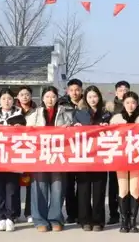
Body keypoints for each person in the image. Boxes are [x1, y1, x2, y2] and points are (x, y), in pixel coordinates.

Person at [110, 91, 139, 233]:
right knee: (123, 189)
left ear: (137, 104)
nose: (130, 105)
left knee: (134, 189)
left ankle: (133, 221)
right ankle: (123, 221)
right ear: (123, 104)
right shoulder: (116, 118)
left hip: (137, 158)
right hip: (121, 158)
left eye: (133, 102)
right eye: (127, 103)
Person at [0, 88, 25, 232]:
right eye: (3, 98)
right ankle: (0, 217)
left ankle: (10, 217)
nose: (6, 101)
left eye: (9, 98)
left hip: (13, 156)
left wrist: (20, 128)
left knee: (12, 188)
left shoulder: (19, 114)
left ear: (13, 100)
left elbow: (26, 133)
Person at [77, 86, 112, 231]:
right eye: (89, 97)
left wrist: (108, 127)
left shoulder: (106, 113)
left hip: (100, 157)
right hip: (83, 156)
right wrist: (75, 126)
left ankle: (98, 220)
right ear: (85, 98)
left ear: (99, 97)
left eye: (95, 96)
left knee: (99, 190)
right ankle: (84, 219)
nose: (92, 99)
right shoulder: (79, 113)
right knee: (83, 190)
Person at [32, 86, 67, 232]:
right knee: (39, 187)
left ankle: (55, 219)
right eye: (47, 96)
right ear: (42, 98)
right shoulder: (36, 113)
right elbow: (28, 130)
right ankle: (40, 219)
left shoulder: (64, 113)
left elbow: (72, 131)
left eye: (53, 96)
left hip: (58, 155)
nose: (50, 100)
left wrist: (68, 128)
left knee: (57, 187)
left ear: (57, 98)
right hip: (40, 155)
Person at [17, 85, 44, 222]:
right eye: (22, 94)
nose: (25, 97)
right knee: (14, 183)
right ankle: (14, 213)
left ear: (31, 96)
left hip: (32, 150)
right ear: (18, 97)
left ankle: (29, 212)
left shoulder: (38, 111)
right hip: (15, 150)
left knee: (31, 183)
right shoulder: (13, 111)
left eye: (27, 94)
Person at [59, 78, 84, 224]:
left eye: (77, 90)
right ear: (67, 91)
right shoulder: (61, 104)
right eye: (72, 90)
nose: (75, 93)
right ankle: (71, 213)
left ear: (81, 90)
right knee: (68, 184)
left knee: (82, 184)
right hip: (67, 149)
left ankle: (82, 212)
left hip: (83, 149)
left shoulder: (86, 104)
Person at [107, 81, 129, 225]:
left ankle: (127, 213)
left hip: (129, 150)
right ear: (116, 92)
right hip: (114, 149)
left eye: (125, 90)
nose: (123, 92)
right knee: (114, 185)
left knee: (128, 184)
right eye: (120, 90)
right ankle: (113, 213)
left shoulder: (133, 106)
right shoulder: (110, 108)